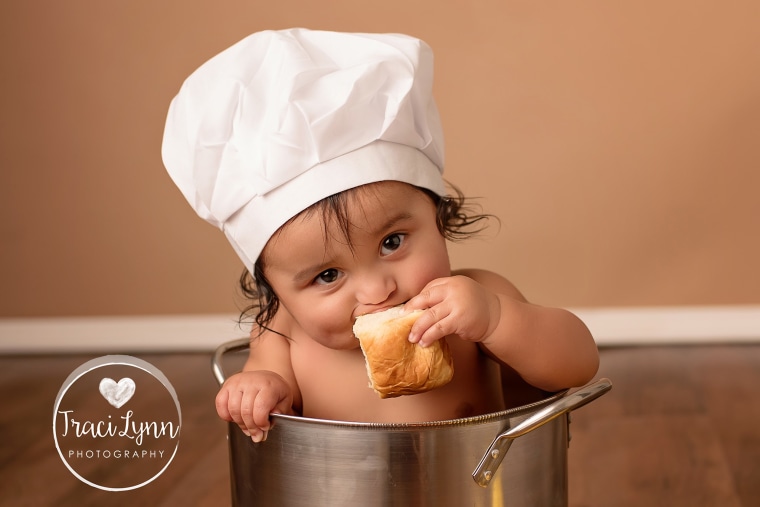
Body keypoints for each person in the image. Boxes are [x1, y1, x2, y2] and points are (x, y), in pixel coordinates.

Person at [162, 28, 599, 443]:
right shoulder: (281, 335)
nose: (377, 291)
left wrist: (499, 320)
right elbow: (268, 390)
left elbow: (576, 366)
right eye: (328, 275)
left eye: (393, 243)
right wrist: (258, 388)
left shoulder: (478, 299)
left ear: (437, 217)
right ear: (275, 291)